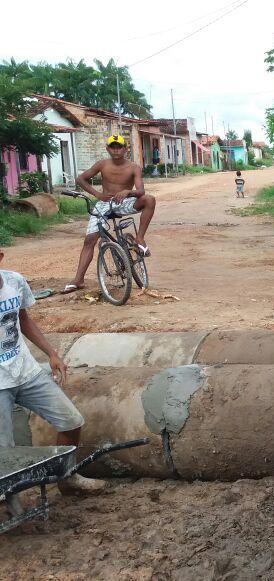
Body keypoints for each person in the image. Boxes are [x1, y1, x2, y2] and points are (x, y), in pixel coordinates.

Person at [1, 250, 106, 517]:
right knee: (4, 452)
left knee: (71, 421)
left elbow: (24, 321)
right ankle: (10, 501)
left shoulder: (14, 281)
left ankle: (67, 477)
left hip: (26, 372)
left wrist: (52, 354)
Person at [62, 135, 157, 294]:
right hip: (104, 203)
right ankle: (78, 280)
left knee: (149, 200)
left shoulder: (134, 167)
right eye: (113, 147)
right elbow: (81, 179)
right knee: (89, 240)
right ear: (108, 149)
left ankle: (140, 237)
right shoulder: (102, 164)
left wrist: (128, 191)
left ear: (125, 149)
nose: (116, 150)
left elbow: (141, 191)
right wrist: (97, 194)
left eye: (119, 147)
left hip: (123, 202)